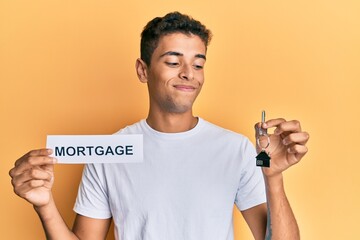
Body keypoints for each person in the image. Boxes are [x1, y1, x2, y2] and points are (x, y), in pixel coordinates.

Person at [9, 12, 309, 240]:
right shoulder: (107, 152)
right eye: (173, 62)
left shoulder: (236, 149)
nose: (189, 73)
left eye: (199, 63)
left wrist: (273, 177)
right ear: (143, 70)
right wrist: (44, 205)